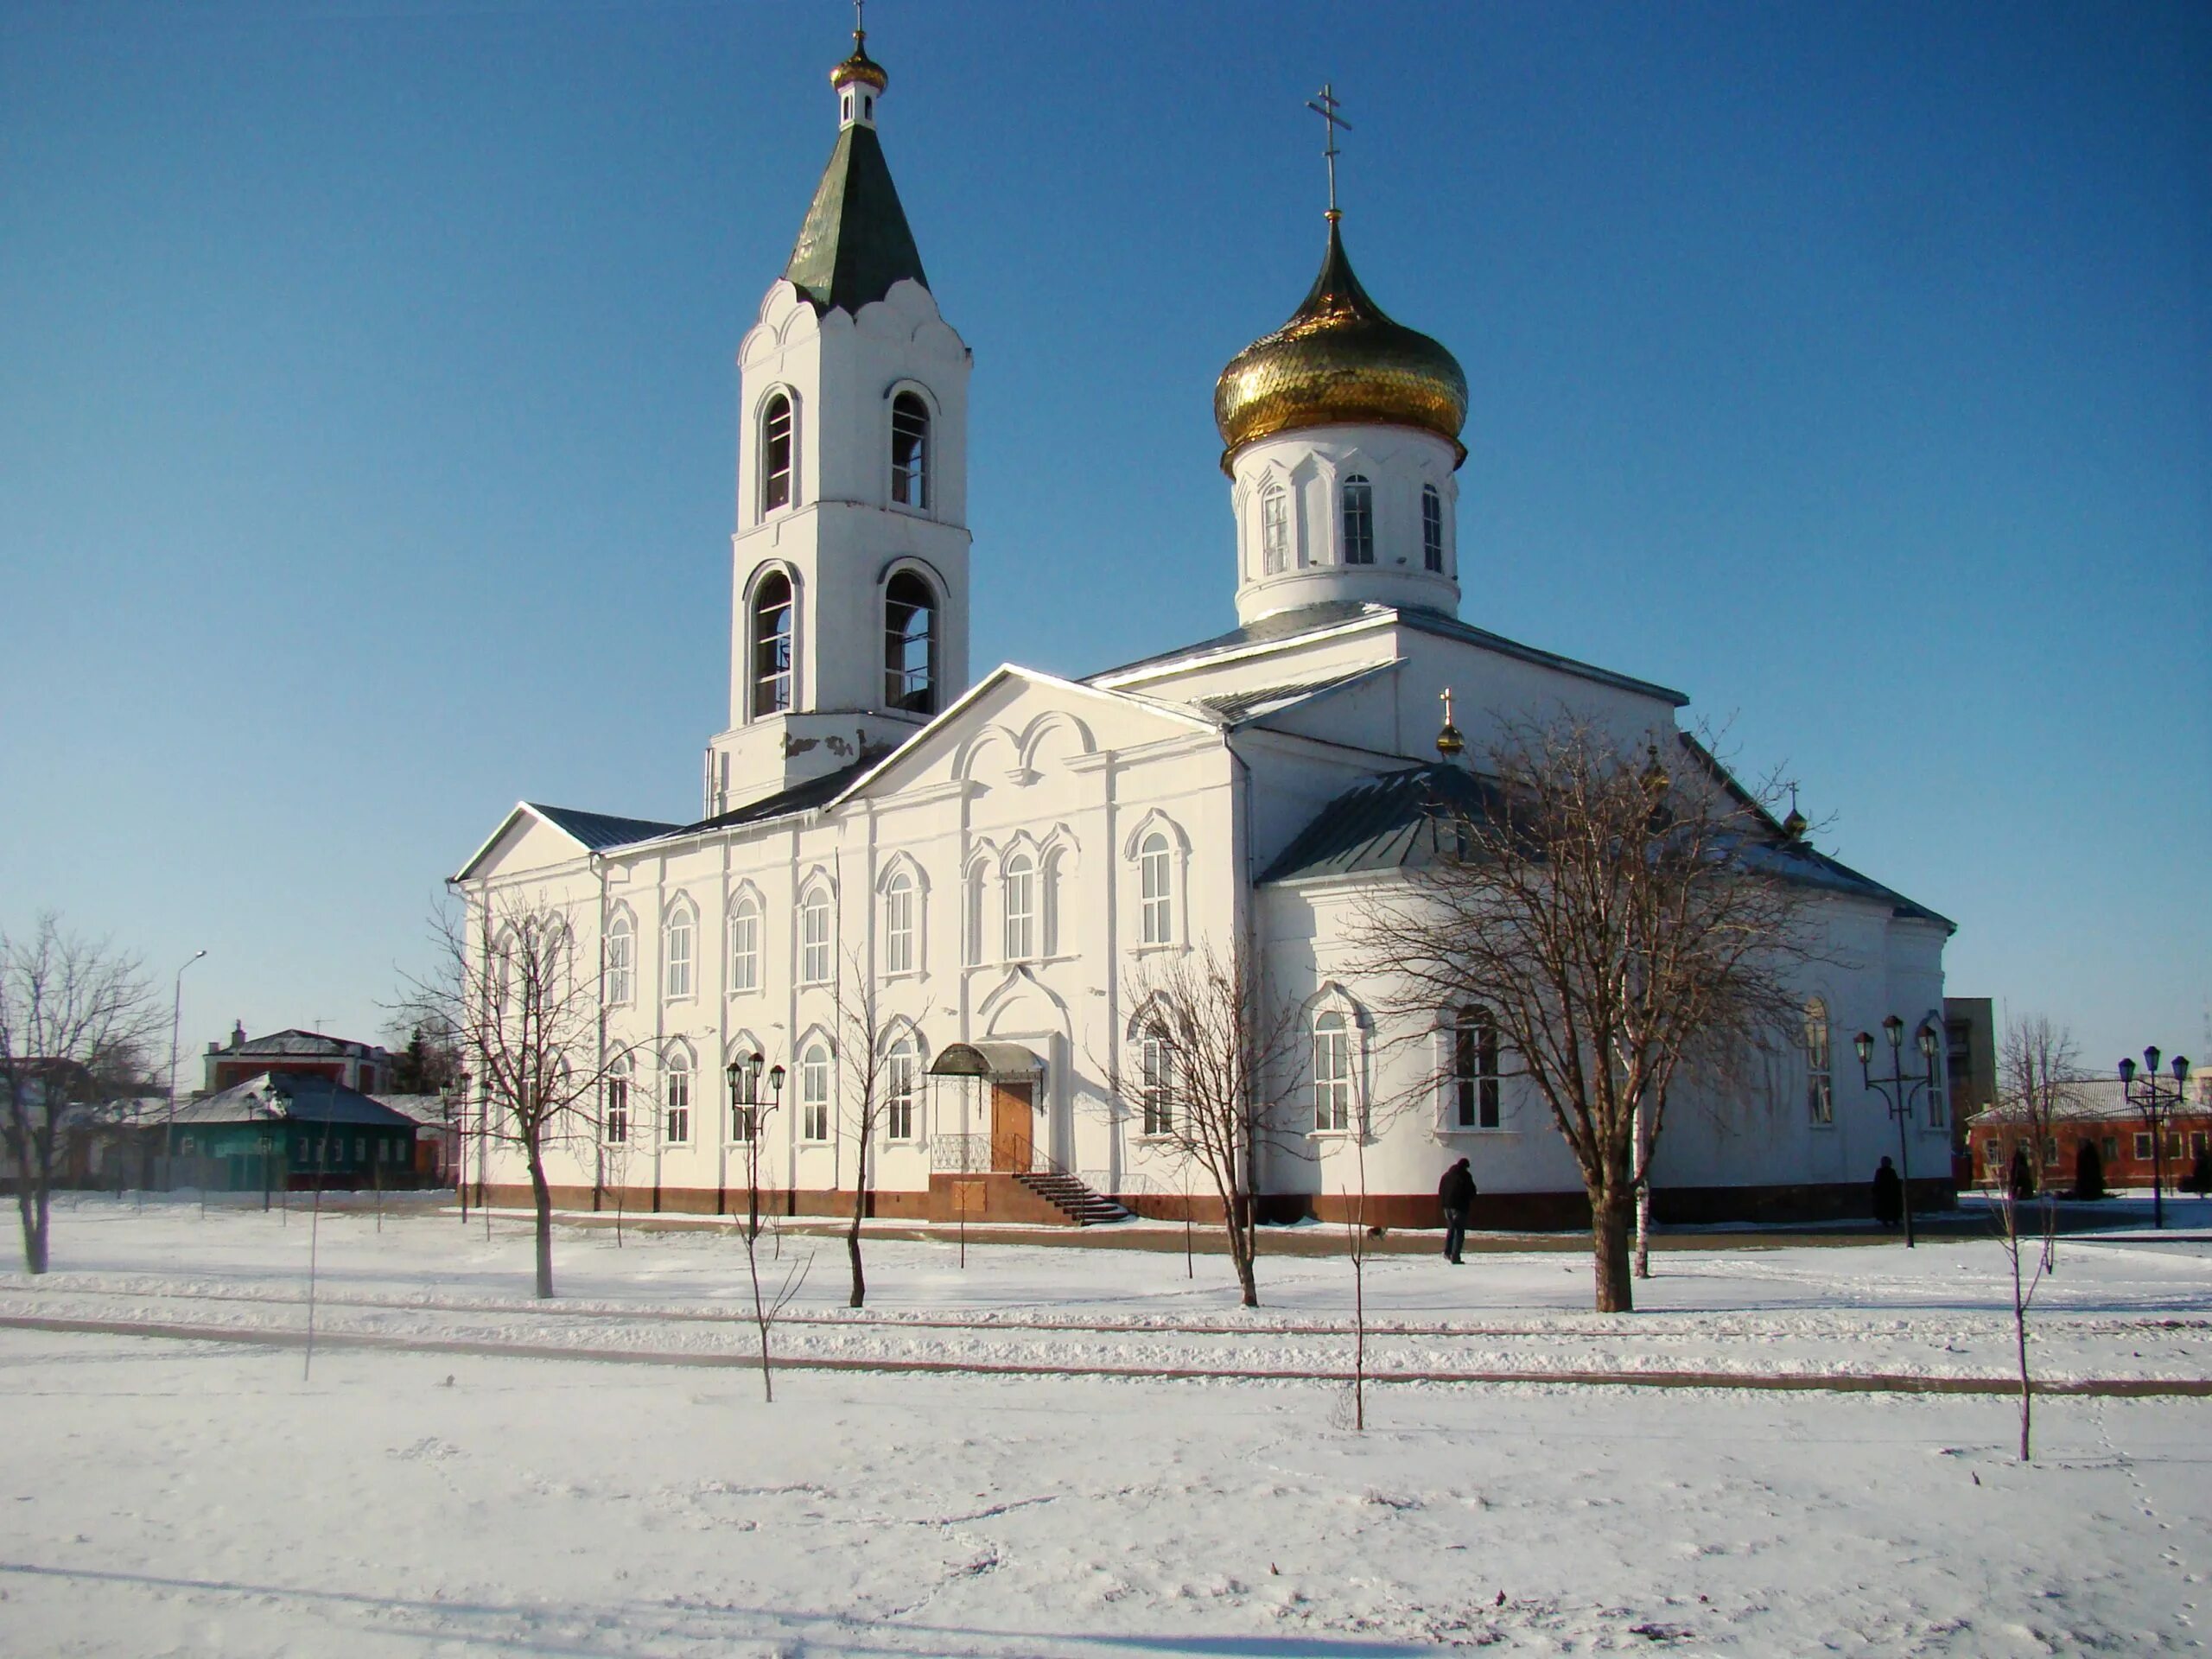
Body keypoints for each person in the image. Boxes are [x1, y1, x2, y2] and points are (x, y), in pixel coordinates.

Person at [1438, 1156, 1476, 1263]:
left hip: (1447, 1207)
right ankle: (1455, 1257)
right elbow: (1471, 1191)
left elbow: (1441, 1190)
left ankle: (1447, 1252)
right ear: (1465, 1167)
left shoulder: (1446, 1176)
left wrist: (1444, 1203)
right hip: (1459, 1207)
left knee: (1451, 1230)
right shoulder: (1465, 1176)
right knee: (1459, 1232)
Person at [1871, 1155, 1903, 1230]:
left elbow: (1877, 1183)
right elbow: (1896, 1183)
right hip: (1890, 1194)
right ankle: (1894, 1220)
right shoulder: (1891, 1171)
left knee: (1885, 1209)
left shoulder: (1881, 1172)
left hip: (1884, 1195)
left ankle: (1887, 1221)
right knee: (1892, 1208)